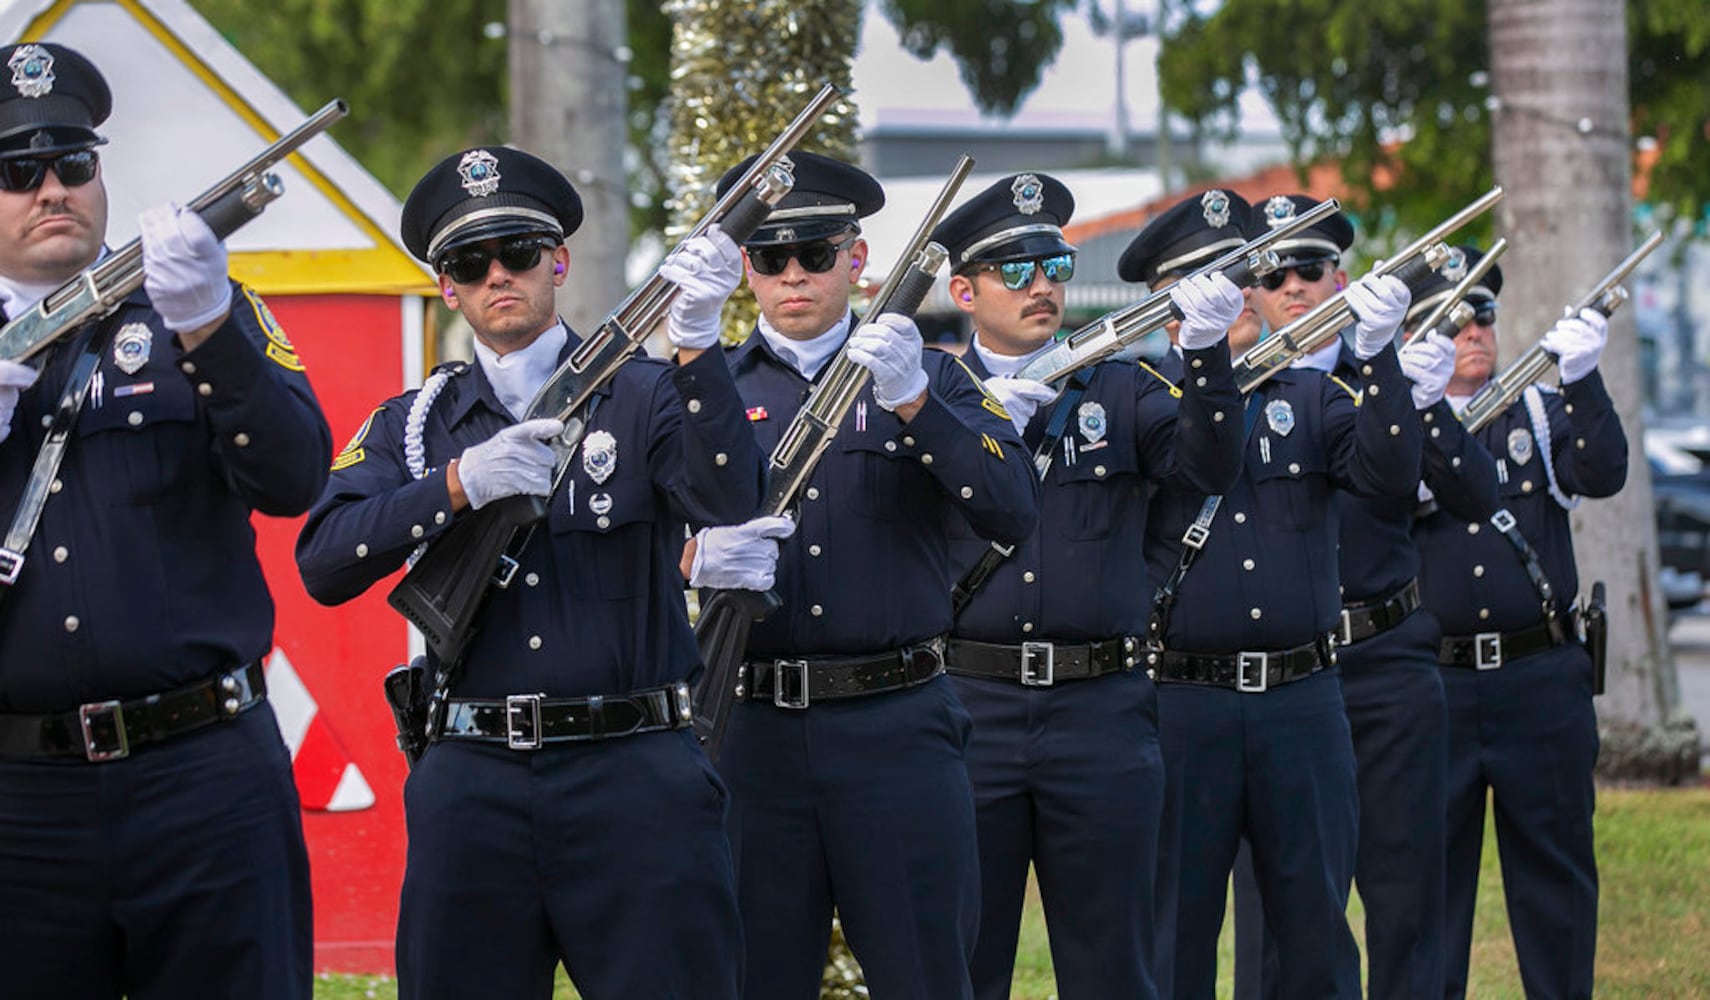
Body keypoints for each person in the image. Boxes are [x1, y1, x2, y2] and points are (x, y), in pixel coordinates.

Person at [295, 146, 763, 999]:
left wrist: (698, 347)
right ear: (447, 287)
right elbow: (323, 561)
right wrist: (456, 485)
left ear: (559, 261)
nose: (497, 275)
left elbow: (730, 496)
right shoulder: (418, 423)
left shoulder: (650, 394)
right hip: (473, 784)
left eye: (517, 251)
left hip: (635, 774)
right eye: (470, 263)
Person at [0, 42, 329, 999]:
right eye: (18, 171)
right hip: (20, 796)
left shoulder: (196, 299)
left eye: (74, 161)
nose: (52, 188)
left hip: (204, 773)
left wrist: (210, 328)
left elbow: (295, 475)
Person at [685, 152, 1039, 1000]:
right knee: (752, 979)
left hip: (897, 727)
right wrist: (691, 558)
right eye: (772, 258)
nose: (795, 274)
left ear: (858, 258)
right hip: (754, 726)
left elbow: (1012, 508)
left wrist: (915, 400)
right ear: (747, 270)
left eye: (816, 252)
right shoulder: (704, 389)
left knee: (926, 976)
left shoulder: (936, 377)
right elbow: (637, 527)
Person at [936, 175, 1245, 1000]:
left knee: (1114, 963)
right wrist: (967, 428)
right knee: (965, 957)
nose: (1042, 284)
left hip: (1100, 709)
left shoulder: (1122, 387)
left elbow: (1209, 468)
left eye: (1055, 263)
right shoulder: (927, 398)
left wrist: (1209, 360)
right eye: (1015, 268)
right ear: (963, 290)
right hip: (972, 705)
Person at [1122, 192, 1421, 1000]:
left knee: (1314, 932)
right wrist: (1207, 364)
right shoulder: (1139, 397)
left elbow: (1390, 479)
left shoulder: (1312, 394)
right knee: (1172, 931)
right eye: (1199, 286)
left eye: (1235, 277)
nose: (1234, 294)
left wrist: (1381, 356)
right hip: (1183, 699)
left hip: (1302, 699)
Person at [1234, 239, 1503, 1000]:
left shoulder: (1387, 370)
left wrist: (1418, 400)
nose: (1293, 287)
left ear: (1341, 281)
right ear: (1249, 294)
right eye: (1272, 276)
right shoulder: (1230, 390)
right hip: (1286, 674)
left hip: (1386, 659)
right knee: (1278, 903)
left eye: (1310, 271)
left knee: (1406, 892)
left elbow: (1477, 496)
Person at [1414, 249, 1625, 1000]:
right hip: (1434, 687)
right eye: (1453, 319)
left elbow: (1601, 472)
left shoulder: (1535, 411)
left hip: (1538, 681)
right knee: (1430, 893)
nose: (1474, 330)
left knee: (1556, 883)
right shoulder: (1397, 424)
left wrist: (1584, 379)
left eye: (1484, 315)